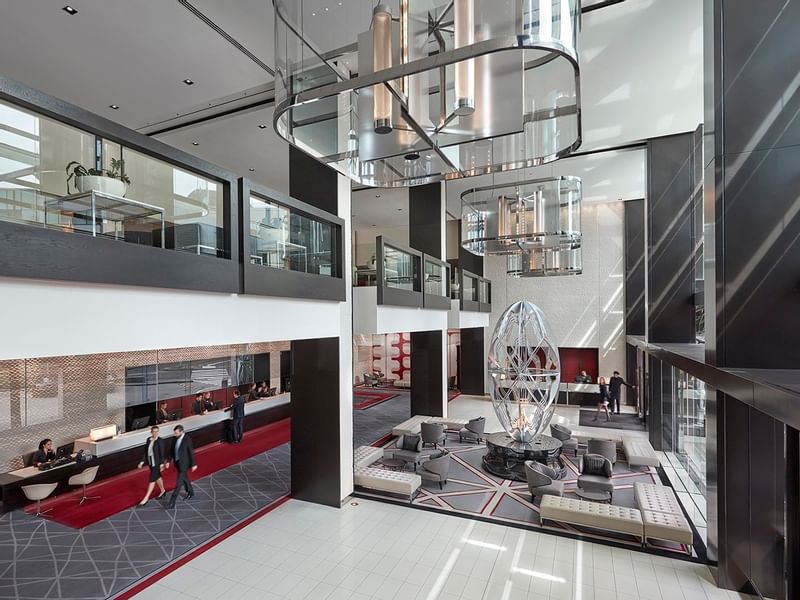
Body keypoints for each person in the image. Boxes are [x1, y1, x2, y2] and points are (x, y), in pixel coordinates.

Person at [167, 425, 197, 508]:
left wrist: (193, 464)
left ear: (181, 432)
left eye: (176, 433)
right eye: (174, 433)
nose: (175, 434)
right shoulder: (174, 438)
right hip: (177, 463)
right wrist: (169, 461)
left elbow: (191, 452)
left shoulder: (187, 440)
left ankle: (172, 501)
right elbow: (171, 451)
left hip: (184, 464)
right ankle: (191, 492)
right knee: (185, 478)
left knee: (178, 483)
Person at [137, 426, 167, 505]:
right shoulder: (148, 440)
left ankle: (146, 498)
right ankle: (163, 490)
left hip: (157, 463)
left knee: (152, 479)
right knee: (157, 477)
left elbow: (162, 453)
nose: (155, 433)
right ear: (151, 432)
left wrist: (161, 464)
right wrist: (142, 462)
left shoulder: (160, 441)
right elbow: (146, 452)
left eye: (157, 431)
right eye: (154, 431)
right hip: (151, 462)